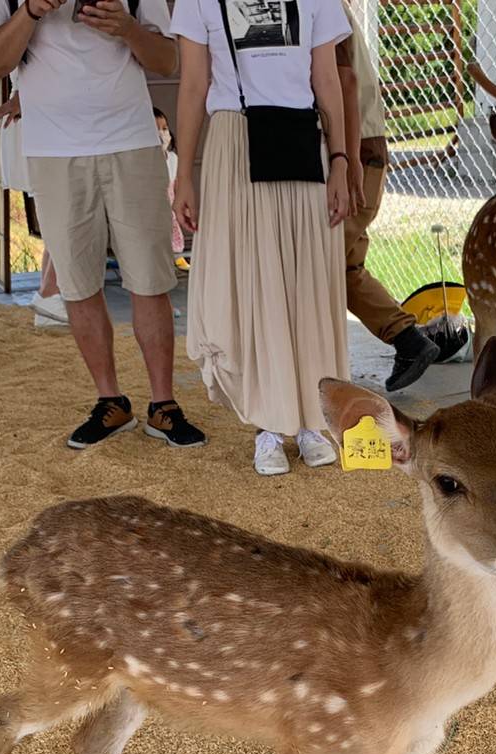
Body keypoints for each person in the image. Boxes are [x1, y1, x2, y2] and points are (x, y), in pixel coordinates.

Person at [0, 0, 206, 451]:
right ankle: (110, 400)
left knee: (151, 280)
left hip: (132, 141)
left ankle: (164, 404)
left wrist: (128, 28)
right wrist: (30, 13)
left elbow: (168, 58)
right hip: (54, 150)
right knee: (77, 284)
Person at [171, 0, 352, 476]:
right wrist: (184, 174)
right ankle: (268, 426)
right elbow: (193, 86)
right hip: (235, 138)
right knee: (254, 282)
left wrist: (340, 160)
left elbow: (328, 79)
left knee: (307, 282)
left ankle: (312, 419)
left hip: (301, 136)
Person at [334, 1, 465, 391]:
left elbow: (343, 82)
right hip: (362, 147)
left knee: (318, 265)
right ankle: (409, 340)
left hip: (352, 151)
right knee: (343, 266)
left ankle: (323, 370)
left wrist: (344, 157)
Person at [0, 87, 68, 328]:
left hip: (43, 127)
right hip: (46, 131)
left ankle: (50, 297)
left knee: (59, 220)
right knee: (66, 220)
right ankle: (49, 293)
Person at [152, 108, 189, 271]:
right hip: (152, 205)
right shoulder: (147, 160)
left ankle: (176, 256)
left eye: (164, 128)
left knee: (172, 230)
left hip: (169, 203)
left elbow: (176, 183)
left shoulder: (173, 158)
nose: (162, 133)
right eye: (156, 130)